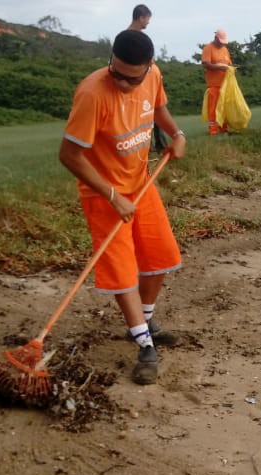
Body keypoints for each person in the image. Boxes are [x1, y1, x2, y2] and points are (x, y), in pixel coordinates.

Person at [59, 29, 187, 385]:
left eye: (133, 79)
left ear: (148, 68)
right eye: (117, 74)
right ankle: (145, 345)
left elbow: (159, 107)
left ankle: (144, 320)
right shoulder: (92, 93)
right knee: (121, 271)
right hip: (104, 195)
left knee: (160, 258)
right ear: (111, 61)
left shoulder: (154, 76)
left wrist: (177, 134)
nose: (124, 84)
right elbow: (69, 155)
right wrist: (113, 196)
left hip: (141, 184)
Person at [127, 4, 169, 154]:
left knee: (154, 111)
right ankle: (150, 147)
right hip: (140, 84)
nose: (148, 23)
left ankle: (159, 145)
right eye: (147, 19)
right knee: (146, 114)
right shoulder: (130, 38)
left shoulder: (137, 36)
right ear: (141, 17)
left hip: (149, 81)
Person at [200, 28, 233, 135]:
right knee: (213, 108)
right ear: (215, 38)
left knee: (224, 108)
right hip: (214, 85)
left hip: (225, 85)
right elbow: (206, 64)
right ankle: (213, 130)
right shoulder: (208, 48)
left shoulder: (225, 50)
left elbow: (229, 64)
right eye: (220, 42)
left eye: (223, 42)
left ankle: (224, 128)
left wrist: (230, 69)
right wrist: (218, 67)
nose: (221, 44)